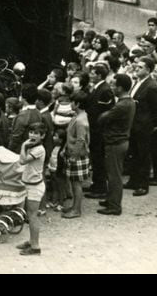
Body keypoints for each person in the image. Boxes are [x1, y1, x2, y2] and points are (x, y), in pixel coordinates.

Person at [96, 74, 135, 216]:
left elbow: (102, 118)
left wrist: (103, 114)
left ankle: (114, 206)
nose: (111, 88)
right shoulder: (128, 102)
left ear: (120, 88)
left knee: (114, 176)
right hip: (119, 141)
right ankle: (111, 199)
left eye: (114, 85)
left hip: (115, 143)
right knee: (112, 173)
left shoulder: (122, 105)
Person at [126, 57, 157, 197]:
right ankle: (133, 180)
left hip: (143, 126)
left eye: (140, 67)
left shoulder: (151, 86)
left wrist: (153, 125)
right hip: (134, 124)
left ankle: (143, 184)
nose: (137, 69)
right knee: (134, 154)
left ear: (148, 70)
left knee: (143, 156)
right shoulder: (138, 82)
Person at [17, 122, 47, 256]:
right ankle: (31, 241)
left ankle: (35, 247)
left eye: (36, 133)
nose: (32, 135)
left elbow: (22, 161)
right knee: (30, 214)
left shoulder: (39, 149)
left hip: (35, 187)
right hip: (29, 184)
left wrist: (23, 145)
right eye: (31, 132)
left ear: (42, 136)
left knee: (32, 216)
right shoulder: (33, 146)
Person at [85, 64, 114, 198]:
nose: (90, 75)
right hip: (95, 129)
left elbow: (104, 112)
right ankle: (96, 184)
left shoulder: (105, 90)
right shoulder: (98, 88)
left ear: (99, 75)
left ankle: (100, 188)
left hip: (99, 131)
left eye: (93, 73)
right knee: (96, 159)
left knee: (99, 160)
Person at [63, 91, 90, 219]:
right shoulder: (79, 116)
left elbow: (80, 140)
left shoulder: (80, 120)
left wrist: (74, 156)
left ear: (77, 104)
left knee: (76, 183)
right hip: (74, 153)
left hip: (77, 155)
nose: (70, 104)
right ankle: (74, 206)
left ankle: (76, 209)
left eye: (72, 102)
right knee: (74, 182)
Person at [9, 85, 42, 152]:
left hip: (21, 150)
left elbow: (16, 137)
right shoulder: (38, 112)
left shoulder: (23, 115)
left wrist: (9, 150)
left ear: (23, 99)